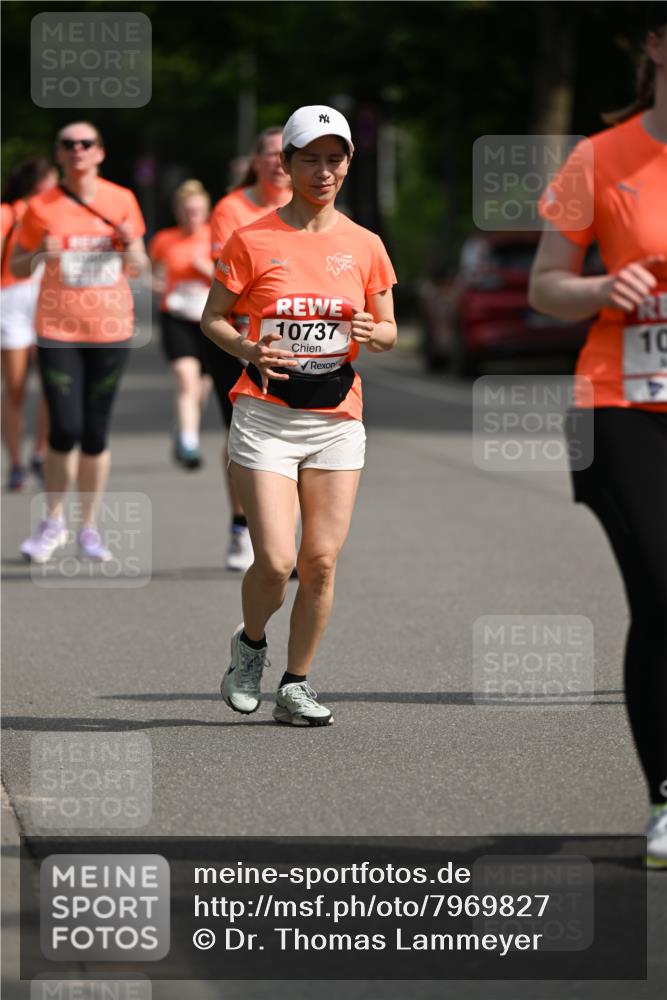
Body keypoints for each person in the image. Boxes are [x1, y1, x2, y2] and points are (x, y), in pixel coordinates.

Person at [201, 105, 397, 726]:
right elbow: (212, 319)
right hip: (264, 416)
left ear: (348, 165)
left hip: (338, 416)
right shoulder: (252, 239)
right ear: (284, 164)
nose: (323, 171)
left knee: (320, 562)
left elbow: (388, 329)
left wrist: (377, 331)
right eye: (309, 158)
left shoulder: (365, 245)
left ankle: (296, 684)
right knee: (278, 560)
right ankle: (250, 646)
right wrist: (248, 348)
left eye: (334, 159)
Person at [529, 3, 667, 868]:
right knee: (662, 591)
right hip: (620, 404)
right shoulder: (598, 158)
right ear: (655, 46)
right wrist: (598, 290)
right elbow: (547, 283)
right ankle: (665, 797)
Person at [11, 121, 148, 563]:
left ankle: (88, 527)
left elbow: (141, 266)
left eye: (85, 143)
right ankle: (53, 520)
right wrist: (39, 253)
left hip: (110, 329)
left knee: (93, 432)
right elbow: (14, 266)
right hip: (57, 331)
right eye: (67, 144)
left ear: (100, 152)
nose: (77, 150)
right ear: (59, 154)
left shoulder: (121, 199)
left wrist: (129, 248)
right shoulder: (41, 206)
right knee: (64, 428)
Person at [208, 127, 292, 571]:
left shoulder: (310, 208)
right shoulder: (232, 208)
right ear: (255, 161)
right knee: (241, 433)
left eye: (286, 154)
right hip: (237, 335)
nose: (279, 162)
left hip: (294, 338)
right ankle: (241, 526)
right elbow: (228, 274)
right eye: (271, 154)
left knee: (295, 430)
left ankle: (282, 538)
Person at [149, 179, 214, 470]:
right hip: (176, 317)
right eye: (187, 211)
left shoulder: (215, 237)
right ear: (178, 212)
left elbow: (233, 282)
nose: (192, 216)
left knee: (201, 387)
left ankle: (183, 429)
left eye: (197, 211)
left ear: (206, 212)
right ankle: (190, 443)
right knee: (186, 378)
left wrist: (208, 271)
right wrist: (160, 286)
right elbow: (153, 274)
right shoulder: (164, 240)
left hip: (210, 321)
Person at [1, 157, 57, 491]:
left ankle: (39, 452)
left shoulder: (53, 213)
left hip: (46, 295)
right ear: (39, 184)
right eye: (52, 182)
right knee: (16, 388)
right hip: (10, 299)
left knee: (54, 380)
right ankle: (16, 463)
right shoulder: (8, 213)